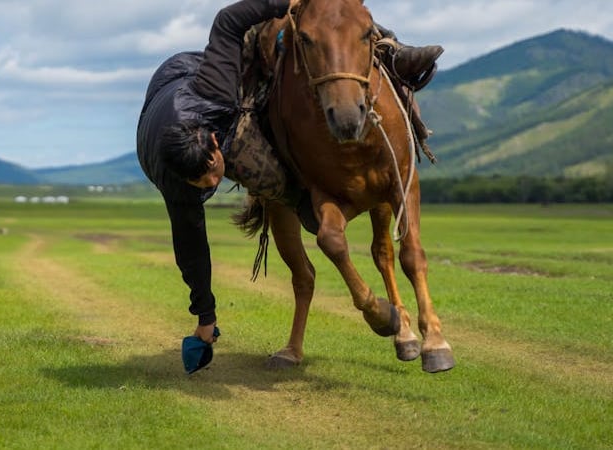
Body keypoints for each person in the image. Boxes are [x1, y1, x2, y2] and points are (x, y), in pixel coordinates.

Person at [136, 0, 442, 353]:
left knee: (317, 23)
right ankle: (311, 205)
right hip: (166, 108)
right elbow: (191, 249)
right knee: (274, 177)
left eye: (213, 175)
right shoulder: (176, 184)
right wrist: (206, 316)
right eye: (203, 187)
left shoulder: (213, 90)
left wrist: (285, 4)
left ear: (215, 145)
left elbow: (227, 20)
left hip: (189, 74)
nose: (214, 185)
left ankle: (391, 50)